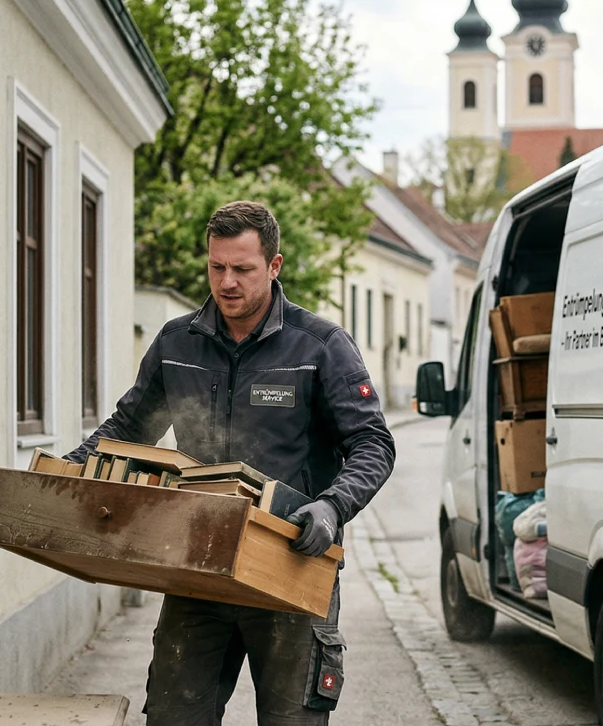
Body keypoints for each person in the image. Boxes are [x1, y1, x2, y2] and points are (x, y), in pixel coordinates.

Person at [66, 200, 396, 725]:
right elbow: (127, 429)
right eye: (216, 266)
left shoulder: (320, 346)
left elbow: (373, 443)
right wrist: (68, 470)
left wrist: (333, 507)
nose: (227, 282)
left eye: (242, 268)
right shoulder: (177, 343)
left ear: (274, 265)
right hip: (196, 564)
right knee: (173, 718)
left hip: (291, 567)